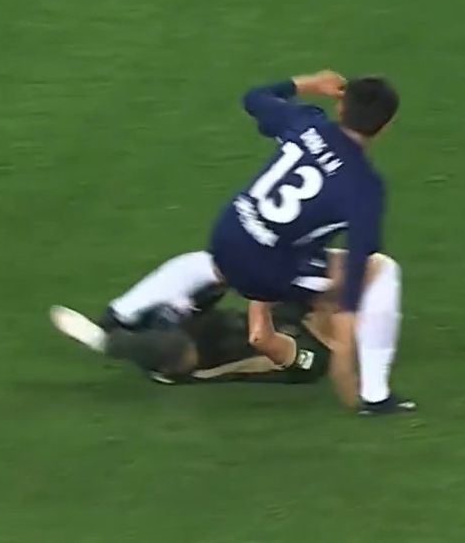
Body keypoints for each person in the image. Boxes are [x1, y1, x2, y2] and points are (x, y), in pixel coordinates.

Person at [53, 71, 413, 415]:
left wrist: (311, 83)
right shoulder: (364, 189)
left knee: (201, 299)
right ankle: (376, 394)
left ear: (341, 106)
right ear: (384, 127)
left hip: (230, 235)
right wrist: (345, 337)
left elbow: (255, 97)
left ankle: (118, 320)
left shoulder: (307, 124)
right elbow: (354, 269)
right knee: (379, 270)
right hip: (264, 269)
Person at [52, 287, 336, 386]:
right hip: (209, 324)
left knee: (176, 348)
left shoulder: (316, 359)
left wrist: (258, 294)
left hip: (200, 360)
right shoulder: (305, 309)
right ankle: (128, 320)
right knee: (211, 280)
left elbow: (262, 341)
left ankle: (105, 342)